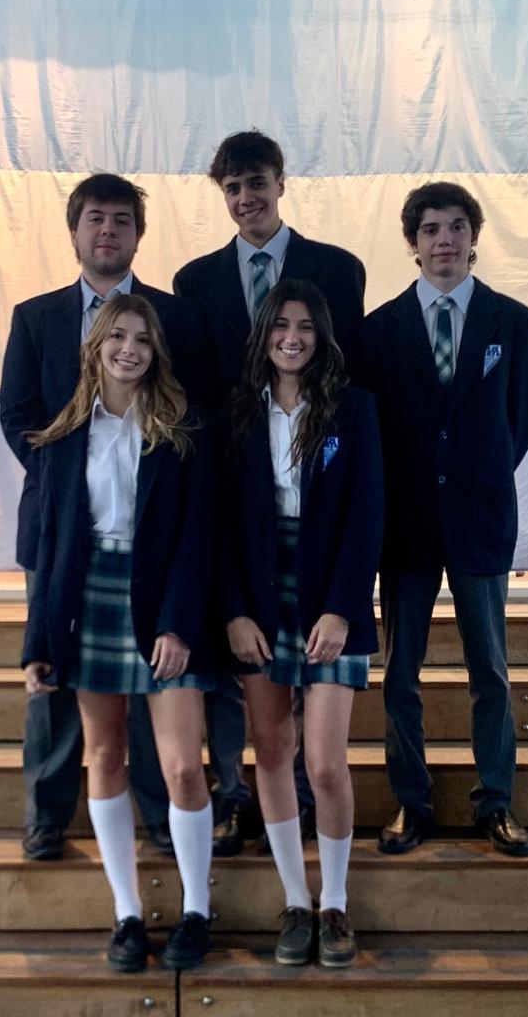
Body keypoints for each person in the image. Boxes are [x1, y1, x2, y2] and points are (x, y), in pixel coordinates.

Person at [0, 173, 207, 860]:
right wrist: (65, 475)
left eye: (122, 220)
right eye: (96, 218)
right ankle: (47, 816)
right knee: (55, 680)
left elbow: (191, 413)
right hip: (58, 531)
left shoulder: (172, 317)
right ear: (75, 230)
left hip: (148, 531)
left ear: (138, 235)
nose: (108, 230)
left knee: (151, 674)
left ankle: (158, 811)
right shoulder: (36, 316)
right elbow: (16, 412)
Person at [174, 130, 366, 854]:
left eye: (257, 182)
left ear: (281, 183)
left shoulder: (337, 270)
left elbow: (348, 374)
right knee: (237, 664)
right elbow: (197, 386)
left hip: (313, 484)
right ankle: (235, 795)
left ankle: (309, 806)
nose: (246, 197)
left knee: (311, 695)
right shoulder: (196, 281)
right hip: (233, 481)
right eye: (233, 187)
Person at [22, 294, 215, 972]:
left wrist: (179, 624)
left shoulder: (183, 430)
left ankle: (198, 910)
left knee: (182, 766)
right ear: (95, 347)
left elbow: (198, 538)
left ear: (155, 351)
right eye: (117, 337)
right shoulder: (64, 437)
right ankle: (127, 914)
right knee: (103, 758)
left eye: (141, 339)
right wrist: (38, 644)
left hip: (163, 603)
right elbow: (51, 547)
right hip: (91, 602)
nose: (129, 349)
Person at [355, 181, 528, 857]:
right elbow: (372, 426)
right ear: (413, 242)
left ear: (473, 236)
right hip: (406, 524)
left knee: (489, 669)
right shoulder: (380, 330)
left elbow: (523, 417)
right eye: (431, 228)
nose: (444, 240)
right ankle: (412, 801)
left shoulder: (513, 323)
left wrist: (478, 471)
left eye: (456, 226)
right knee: (400, 672)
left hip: (479, 518)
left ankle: (495, 801)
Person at [220, 278, 383, 967]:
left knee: (323, 762)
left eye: (306, 327)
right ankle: (295, 900)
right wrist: (234, 611)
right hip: (260, 595)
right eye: (281, 325)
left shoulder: (354, 408)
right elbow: (221, 525)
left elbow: (367, 515)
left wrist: (343, 607)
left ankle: (335, 903)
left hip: (329, 591)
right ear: (264, 334)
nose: (292, 338)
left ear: (322, 336)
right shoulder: (235, 412)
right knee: (272, 751)